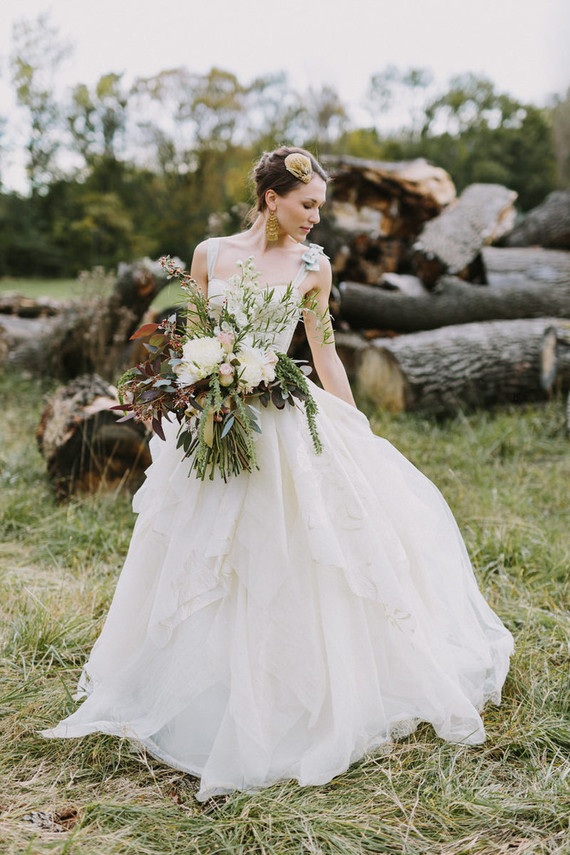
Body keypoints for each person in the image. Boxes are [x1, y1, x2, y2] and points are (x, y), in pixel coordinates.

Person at [43, 146, 514, 801]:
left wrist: (355, 430)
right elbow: (196, 338)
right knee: (207, 552)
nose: (317, 217)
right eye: (308, 204)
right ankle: (201, 689)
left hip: (286, 413)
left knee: (295, 550)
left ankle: (294, 688)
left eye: (320, 204)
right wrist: (200, 388)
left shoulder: (314, 268)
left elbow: (323, 353)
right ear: (270, 198)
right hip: (218, 417)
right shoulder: (211, 254)